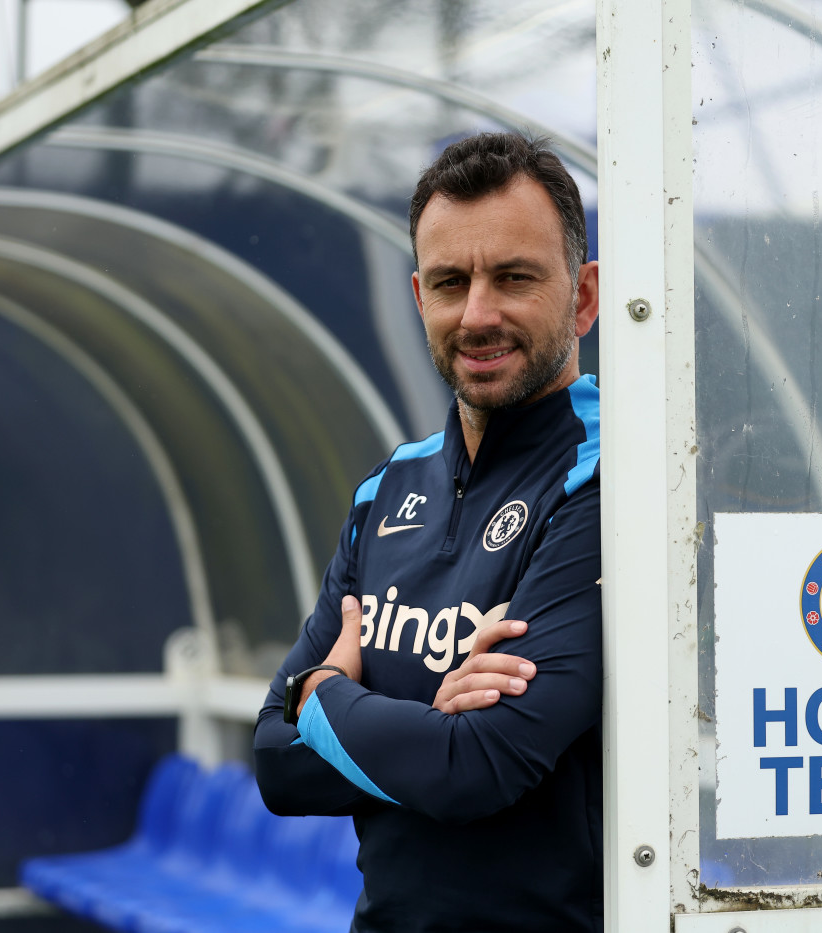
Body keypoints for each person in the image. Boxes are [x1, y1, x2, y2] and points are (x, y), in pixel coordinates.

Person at [254, 131, 603, 933]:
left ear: (583, 296)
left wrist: (328, 694)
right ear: (421, 299)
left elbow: (480, 765)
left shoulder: (608, 480)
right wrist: (430, 730)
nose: (478, 313)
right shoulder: (387, 489)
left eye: (514, 277)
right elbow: (275, 762)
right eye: (451, 282)